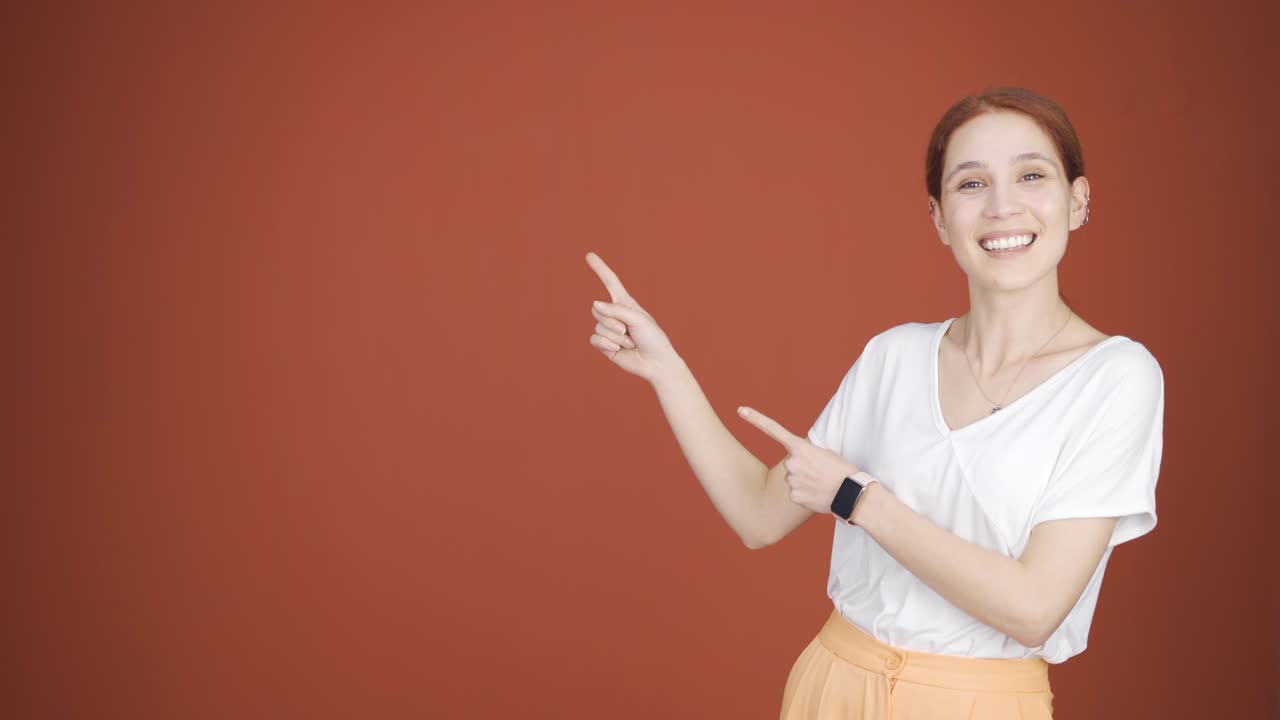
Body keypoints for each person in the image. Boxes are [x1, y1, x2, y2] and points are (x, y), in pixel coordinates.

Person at [584, 86, 1164, 720]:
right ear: (940, 218)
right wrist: (666, 369)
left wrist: (857, 499)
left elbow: (1033, 609)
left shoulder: (1115, 378)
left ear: (1077, 202)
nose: (1003, 206)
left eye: (1031, 176)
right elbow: (759, 514)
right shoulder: (894, 358)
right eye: (971, 185)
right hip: (831, 685)